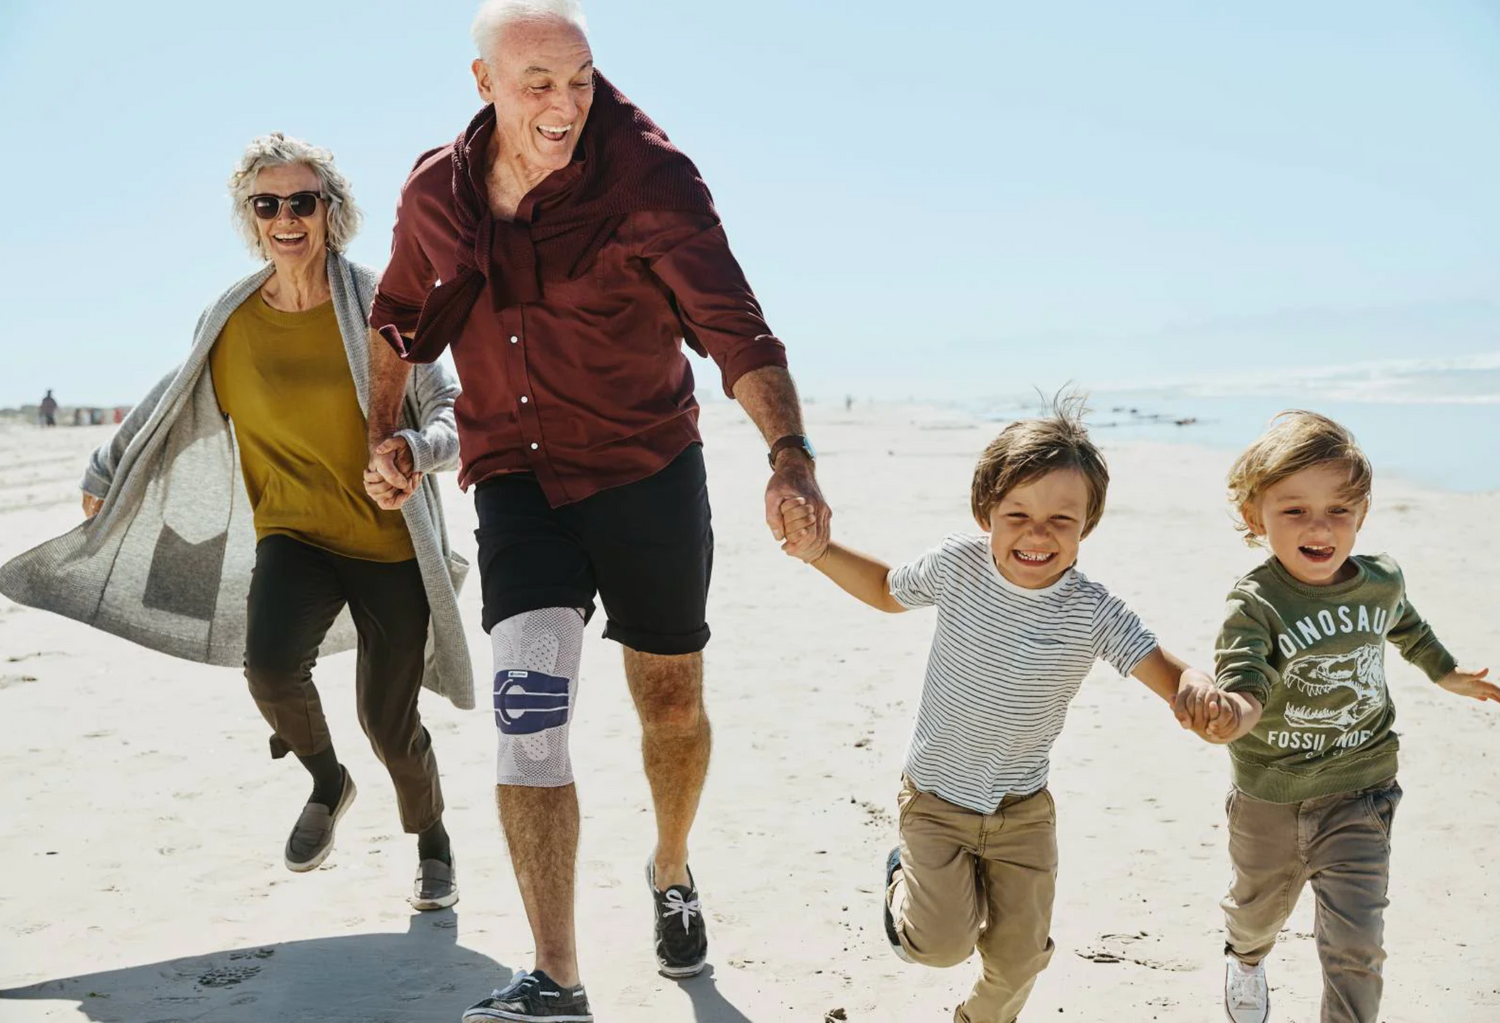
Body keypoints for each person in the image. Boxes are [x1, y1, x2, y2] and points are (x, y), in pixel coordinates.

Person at [362, 1, 830, 1018]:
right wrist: (384, 440)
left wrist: (788, 457)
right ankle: (558, 976)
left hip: (647, 469)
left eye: (579, 79)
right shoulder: (438, 190)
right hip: (518, 482)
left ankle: (670, 867)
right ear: (483, 84)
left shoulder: (652, 182)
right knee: (529, 718)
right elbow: (397, 321)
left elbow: (736, 332)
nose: (565, 103)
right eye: (538, 83)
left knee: (670, 704)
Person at [0, 133, 474, 911]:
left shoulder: (381, 305)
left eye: (302, 201)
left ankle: (433, 840)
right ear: (250, 218)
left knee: (389, 722)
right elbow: (174, 393)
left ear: (330, 211)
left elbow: (451, 408)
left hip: (388, 543)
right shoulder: (231, 318)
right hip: (294, 534)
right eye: (268, 204)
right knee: (270, 666)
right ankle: (328, 780)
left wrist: (416, 449)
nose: (286, 217)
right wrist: (107, 467)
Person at [780, 397, 1234, 1023]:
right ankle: (900, 886)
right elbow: (887, 592)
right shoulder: (958, 566)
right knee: (938, 947)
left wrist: (1201, 692)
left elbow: (1168, 670)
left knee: (1020, 958)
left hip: (1023, 812)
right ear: (984, 514)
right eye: (1017, 513)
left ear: (1087, 526)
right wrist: (817, 551)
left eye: (1061, 520)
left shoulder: (1093, 611)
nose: (1037, 534)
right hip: (937, 801)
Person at [1212, 411, 1495, 1023]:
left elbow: (1409, 629)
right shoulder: (1256, 603)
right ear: (1254, 516)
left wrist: (1447, 674)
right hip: (1270, 794)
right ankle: (1246, 958)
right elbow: (1244, 670)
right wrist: (1235, 709)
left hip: (1362, 787)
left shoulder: (1380, 582)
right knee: (1257, 910)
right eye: (1294, 511)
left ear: (1361, 515)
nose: (1320, 527)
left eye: (1339, 510)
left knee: (1356, 944)